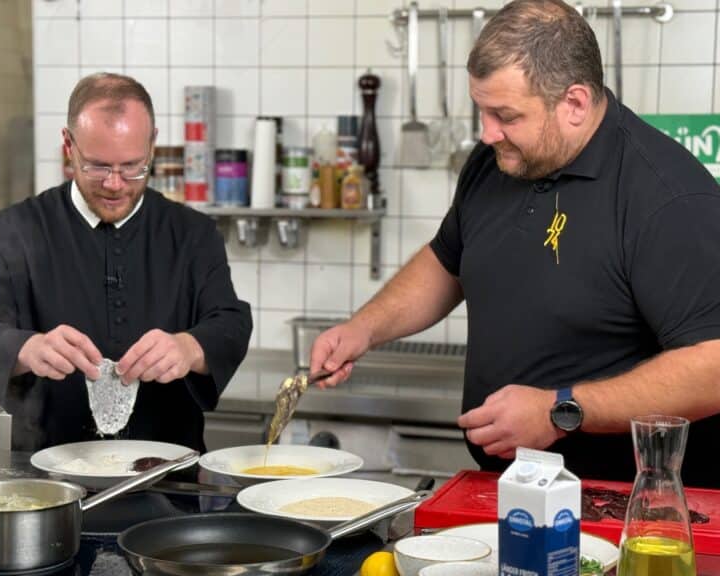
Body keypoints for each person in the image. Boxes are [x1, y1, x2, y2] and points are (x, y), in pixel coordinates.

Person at [309, 0, 720, 488]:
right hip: (504, 486)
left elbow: (712, 366)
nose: (486, 133)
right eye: (482, 110)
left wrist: (560, 410)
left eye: (505, 114)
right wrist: (364, 329)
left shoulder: (667, 197)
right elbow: (448, 260)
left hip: (622, 502)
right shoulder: (498, 160)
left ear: (574, 103)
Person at [0, 73, 252, 453]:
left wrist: (189, 348)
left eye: (132, 166)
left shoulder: (194, 233)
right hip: (47, 468)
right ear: (68, 145)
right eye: (97, 166)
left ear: (152, 144)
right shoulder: (18, 229)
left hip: (168, 471)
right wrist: (27, 347)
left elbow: (230, 322)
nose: (115, 184)